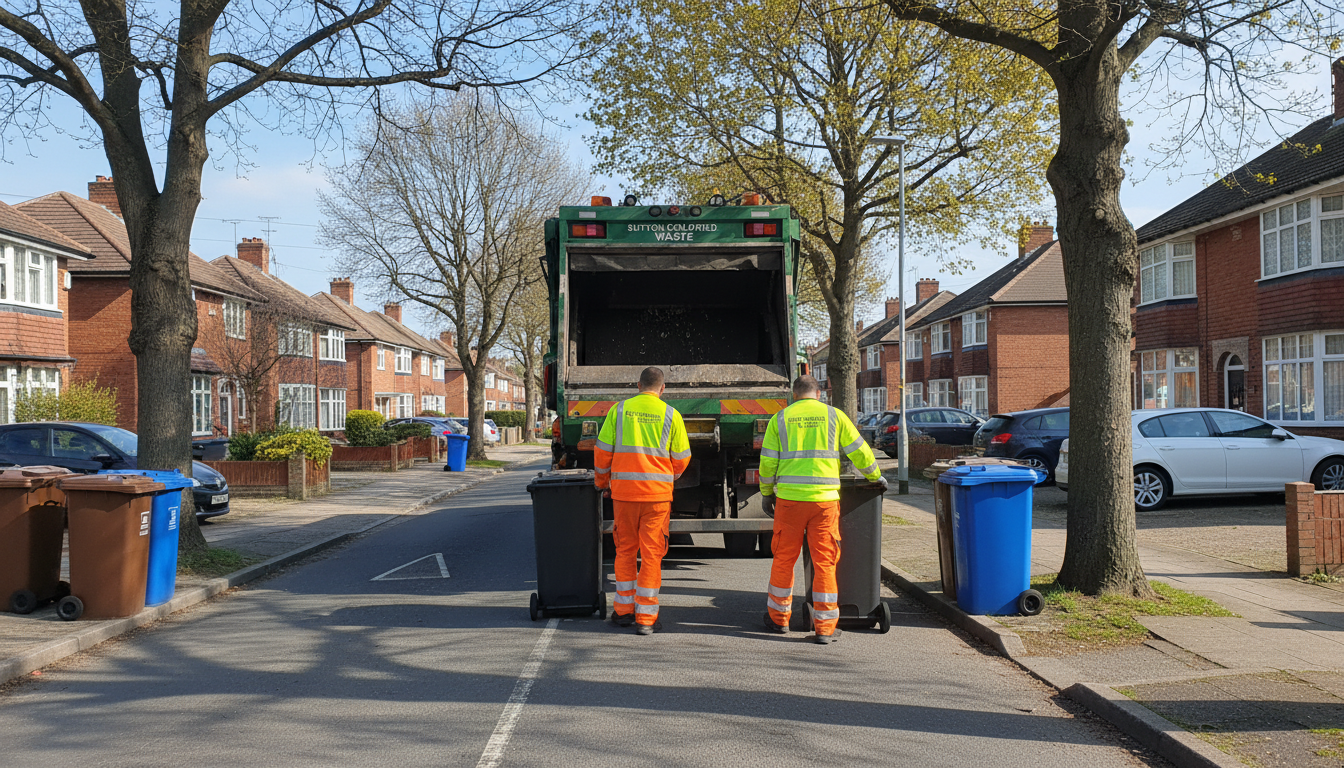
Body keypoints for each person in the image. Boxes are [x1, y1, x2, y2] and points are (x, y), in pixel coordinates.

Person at [759, 375, 887, 644]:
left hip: (790, 501)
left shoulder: (780, 419)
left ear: (795, 394)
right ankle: (825, 628)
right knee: (825, 562)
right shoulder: (835, 416)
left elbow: (768, 462)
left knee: (784, 559)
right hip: (825, 502)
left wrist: (766, 493)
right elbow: (860, 451)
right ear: (819, 393)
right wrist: (875, 476)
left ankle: (778, 620)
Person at [593, 366, 691, 635]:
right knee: (652, 553)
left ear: (638, 386)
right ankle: (646, 618)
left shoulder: (619, 411)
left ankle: (624, 611)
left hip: (624, 495)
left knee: (625, 550)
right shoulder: (672, 414)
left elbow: (602, 452)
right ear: (662, 389)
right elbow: (682, 458)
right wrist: (669, 477)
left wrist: (602, 483)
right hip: (657, 497)